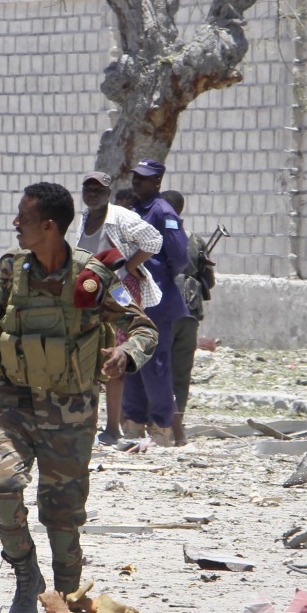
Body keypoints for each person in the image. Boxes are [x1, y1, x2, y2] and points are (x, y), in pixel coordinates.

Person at [0, 182, 157, 613]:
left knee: (62, 518)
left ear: (49, 226)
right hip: (14, 404)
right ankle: (24, 572)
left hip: (70, 413)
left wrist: (124, 353)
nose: (15, 223)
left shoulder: (91, 278)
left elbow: (144, 328)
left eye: (25, 217)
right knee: (1, 484)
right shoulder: (8, 271)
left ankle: (69, 609)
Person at [75, 170, 163, 445]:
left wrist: (129, 265)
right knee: (91, 351)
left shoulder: (121, 217)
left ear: (108, 192)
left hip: (119, 289)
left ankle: (113, 427)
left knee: (116, 355)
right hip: (92, 291)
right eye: (88, 189)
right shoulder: (85, 218)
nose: (93, 194)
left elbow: (153, 241)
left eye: (98, 190)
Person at [124, 159, 189, 445]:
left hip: (158, 300)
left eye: (144, 178)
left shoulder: (163, 212)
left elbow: (179, 256)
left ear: (157, 182)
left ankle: (161, 427)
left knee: (156, 363)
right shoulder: (134, 211)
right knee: (131, 360)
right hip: (132, 298)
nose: (137, 181)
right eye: (135, 177)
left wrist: (159, 277)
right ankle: (133, 423)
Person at [162, 190, 215, 446]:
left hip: (163, 312)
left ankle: (158, 426)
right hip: (189, 314)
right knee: (181, 372)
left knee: (157, 369)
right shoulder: (196, 241)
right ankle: (176, 425)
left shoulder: (154, 238)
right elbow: (209, 281)